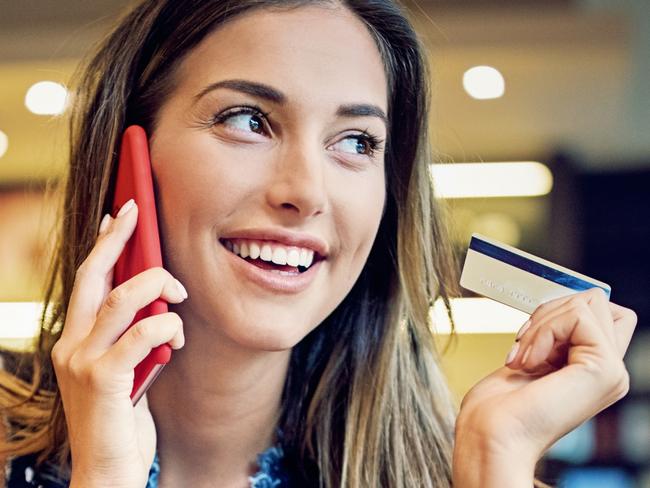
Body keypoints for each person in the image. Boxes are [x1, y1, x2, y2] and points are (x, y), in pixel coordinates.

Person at [0, 1, 637, 487]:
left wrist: (493, 459)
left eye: (357, 142)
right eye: (248, 120)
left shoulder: (471, 468)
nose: (306, 192)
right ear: (127, 158)